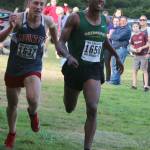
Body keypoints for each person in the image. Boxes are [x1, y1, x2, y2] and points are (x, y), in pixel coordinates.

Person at [58, 0, 124, 149]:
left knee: (92, 107)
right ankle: (68, 95)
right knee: (69, 107)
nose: (101, 1)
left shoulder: (105, 20)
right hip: (74, 67)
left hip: (94, 68)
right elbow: (61, 42)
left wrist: (116, 56)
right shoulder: (75, 18)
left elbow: (103, 39)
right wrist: (68, 56)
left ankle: (87, 147)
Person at [1, 0, 60, 149]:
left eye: (42, 4)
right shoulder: (18, 18)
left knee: (33, 99)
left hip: (33, 66)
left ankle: (33, 113)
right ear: (28, 3)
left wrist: (57, 44)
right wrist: (11, 28)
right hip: (14, 67)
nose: (39, 7)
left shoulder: (47, 21)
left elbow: (53, 28)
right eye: (36, 3)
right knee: (12, 105)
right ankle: (12, 133)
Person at [109, 16, 131, 85]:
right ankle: (117, 81)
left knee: (119, 65)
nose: (122, 22)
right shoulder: (118, 28)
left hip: (121, 49)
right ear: (120, 21)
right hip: (115, 49)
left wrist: (114, 36)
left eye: (124, 20)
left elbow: (118, 37)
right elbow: (112, 36)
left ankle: (113, 81)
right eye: (121, 20)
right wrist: (114, 36)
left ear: (126, 21)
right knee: (113, 65)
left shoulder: (127, 29)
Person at [130, 22, 149, 91]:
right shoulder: (133, 36)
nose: (135, 28)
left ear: (139, 27)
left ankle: (146, 86)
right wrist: (134, 49)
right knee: (134, 70)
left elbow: (148, 44)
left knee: (144, 70)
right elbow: (131, 46)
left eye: (136, 26)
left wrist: (141, 48)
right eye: (134, 26)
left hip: (143, 55)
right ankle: (134, 85)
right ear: (132, 28)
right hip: (136, 56)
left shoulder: (143, 34)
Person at [139, 15, 150, 87]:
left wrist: (149, 53)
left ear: (146, 21)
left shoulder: (149, 30)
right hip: (141, 53)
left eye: (144, 20)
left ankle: (147, 85)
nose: (142, 21)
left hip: (148, 52)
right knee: (144, 68)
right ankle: (145, 84)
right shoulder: (138, 30)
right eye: (141, 20)